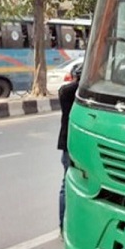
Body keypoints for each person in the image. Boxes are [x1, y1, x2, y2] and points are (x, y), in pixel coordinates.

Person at [57, 63, 82, 236]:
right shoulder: (76, 93)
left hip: (67, 145)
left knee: (65, 185)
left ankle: (63, 226)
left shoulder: (66, 93)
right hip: (74, 145)